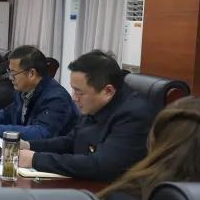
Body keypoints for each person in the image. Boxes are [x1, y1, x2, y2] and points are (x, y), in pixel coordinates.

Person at [18, 51, 156, 181]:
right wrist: (29, 145)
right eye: (73, 90)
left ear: (108, 91)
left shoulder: (134, 115)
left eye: (80, 92)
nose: (74, 98)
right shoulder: (96, 105)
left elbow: (101, 165)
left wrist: (36, 159)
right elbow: (71, 142)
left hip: (115, 191)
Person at [0, 45, 78, 141]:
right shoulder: (23, 91)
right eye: (9, 71)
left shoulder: (56, 98)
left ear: (31, 73)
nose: (10, 77)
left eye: (13, 73)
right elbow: (7, 114)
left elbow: (41, 133)